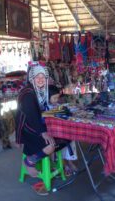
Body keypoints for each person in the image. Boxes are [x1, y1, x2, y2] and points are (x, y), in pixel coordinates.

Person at [16, 63, 69, 195]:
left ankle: (51, 164)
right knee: (51, 145)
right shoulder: (28, 94)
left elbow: (43, 109)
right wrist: (43, 132)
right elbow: (32, 116)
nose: (40, 79)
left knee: (65, 136)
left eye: (43, 77)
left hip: (37, 125)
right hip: (28, 129)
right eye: (37, 77)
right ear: (32, 78)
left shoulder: (39, 90)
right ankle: (29, 161)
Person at [49, 85, 78, 176]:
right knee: (61, 142)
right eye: (54, 98)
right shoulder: (46, 107)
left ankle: (69, 162)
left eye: (57, 97)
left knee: (71, 138)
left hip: (60, 131)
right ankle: (62, 164)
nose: (56, 100)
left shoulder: (58, 105)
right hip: (51, 133)